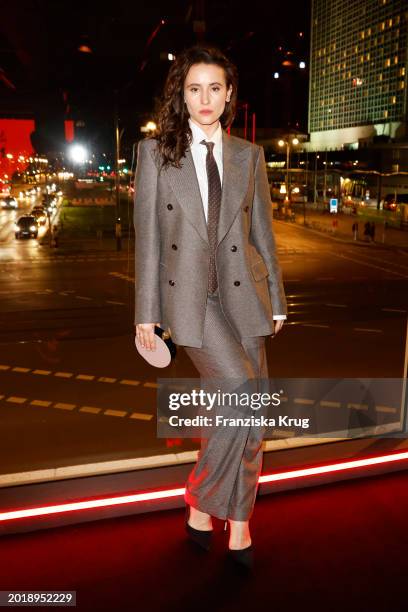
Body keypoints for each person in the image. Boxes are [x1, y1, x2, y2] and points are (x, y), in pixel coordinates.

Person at [133, 45, 287, 569]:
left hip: (247, 297)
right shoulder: (155, 154)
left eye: (215, 88)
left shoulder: (249, 155)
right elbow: (148, 241)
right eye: (194, 88)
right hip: (190, 302)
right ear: (181, 94)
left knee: (251, 414)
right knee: (243, 393)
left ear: (229, 95)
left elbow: (263, 234)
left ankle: (236, 524)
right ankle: (200, 499)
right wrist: (145, 314)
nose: (205, 98)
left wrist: (279, 300)